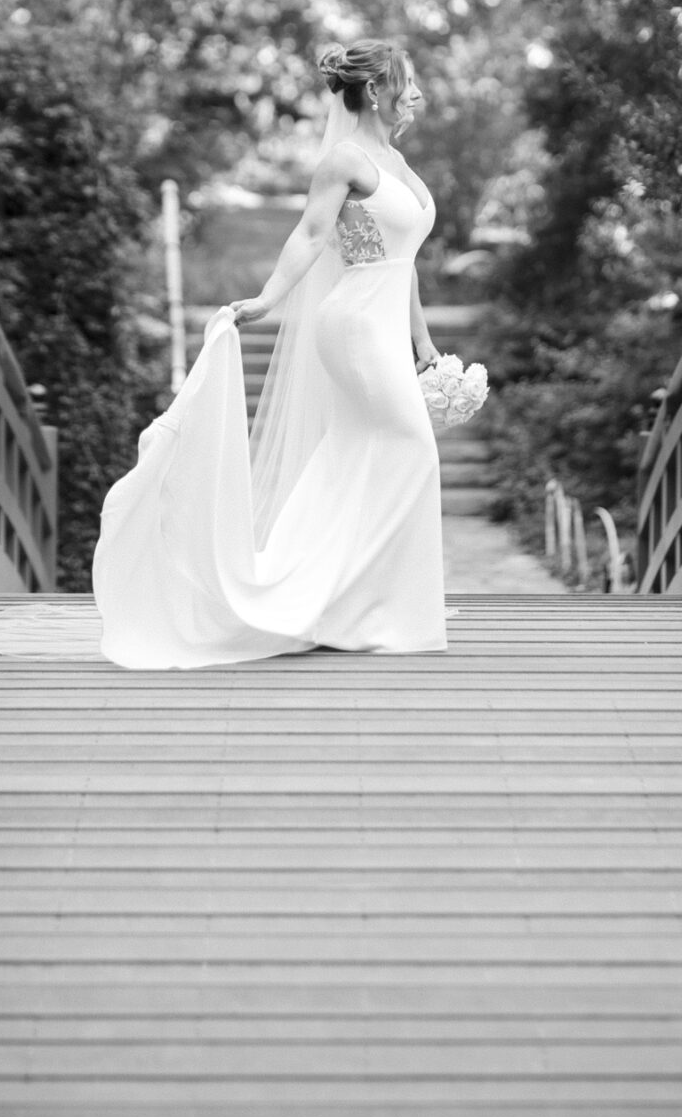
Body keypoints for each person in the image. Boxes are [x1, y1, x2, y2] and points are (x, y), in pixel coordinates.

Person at [88, 38, 448, 668]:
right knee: (411, 447)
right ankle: (359, 604)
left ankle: (351, 601)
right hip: (357, 329)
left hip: (387, 326)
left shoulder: (396, 161)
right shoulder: (344, 160)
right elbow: (311, 234)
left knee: (352, 458)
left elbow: (404, 262)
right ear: (373, 91)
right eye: (406, 82)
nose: (415, 93)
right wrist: (268, 298)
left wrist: (422, 339)